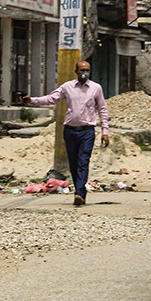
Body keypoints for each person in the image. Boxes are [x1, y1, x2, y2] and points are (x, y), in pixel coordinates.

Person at [23, 60, 110, 206]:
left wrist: (105, 131)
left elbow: (102, 109)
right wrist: (32, 100)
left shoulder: (96, 88)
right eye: (82, 70)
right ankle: (80, 189)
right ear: (76, 71)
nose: (84, 73)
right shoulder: (67, 87)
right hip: (70, 131)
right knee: (74, 164)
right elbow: (51, 98)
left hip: (87, 131)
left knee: (83, 162)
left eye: (87, 70)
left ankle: (79, 193)